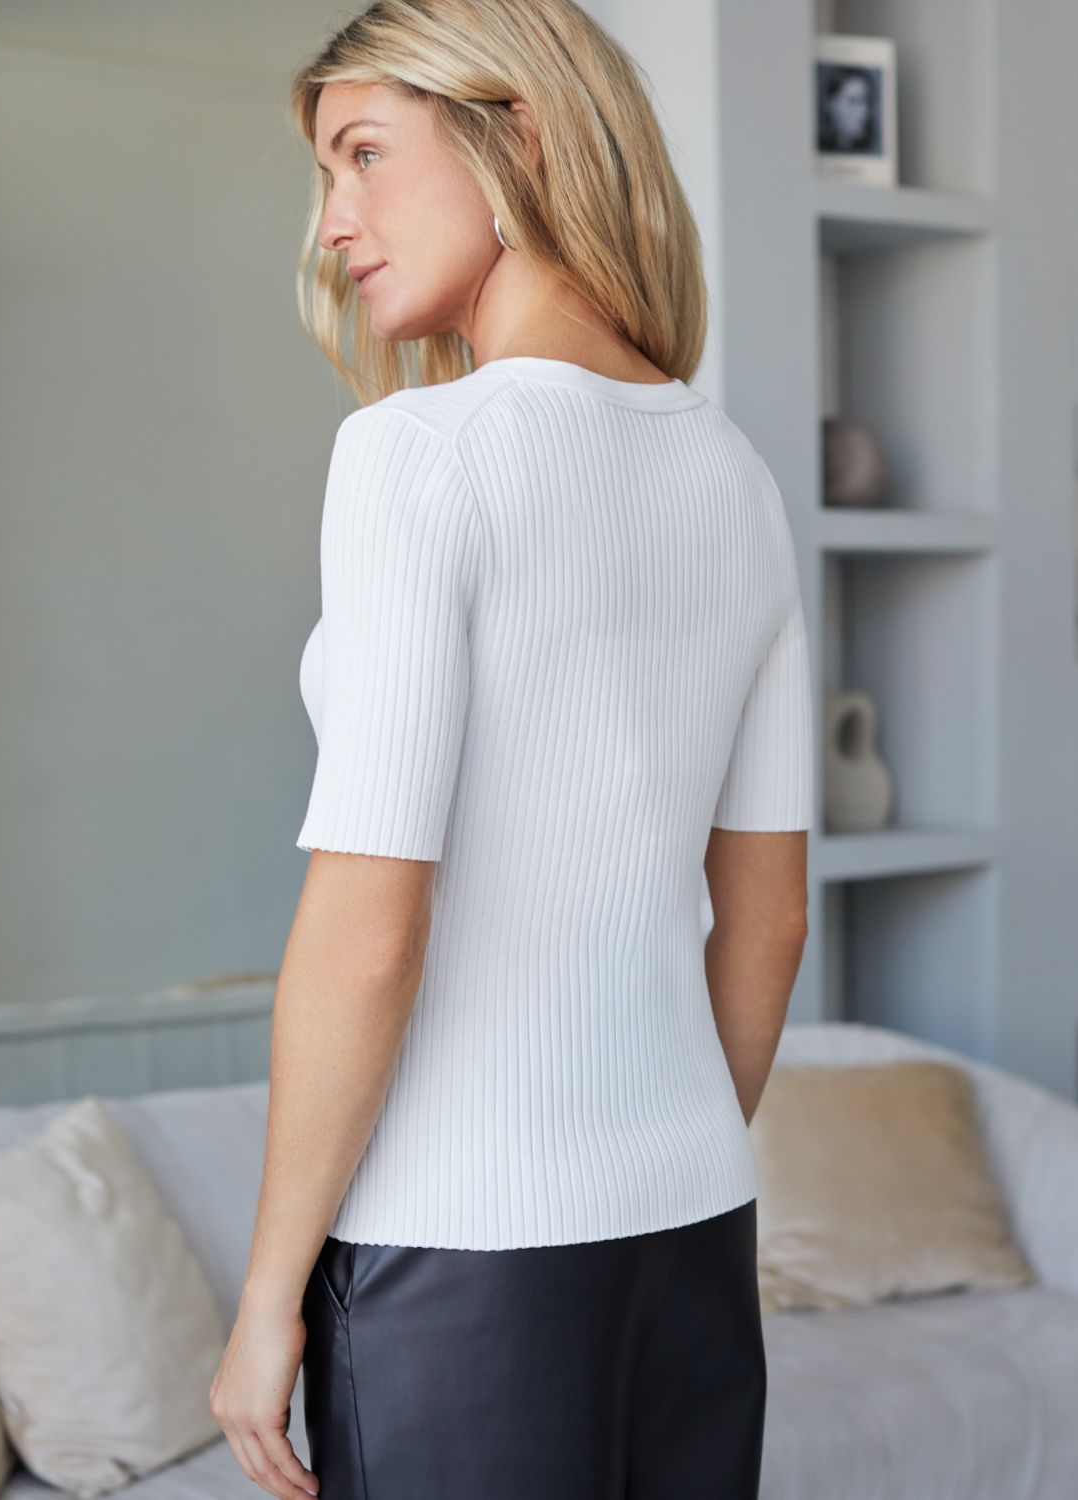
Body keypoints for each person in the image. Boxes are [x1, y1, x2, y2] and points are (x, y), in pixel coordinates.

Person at [209, 1, 813, 1497]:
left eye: (363, 155)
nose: (333, 223)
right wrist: (652, 1153)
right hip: (691, 1230)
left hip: (457, 1258)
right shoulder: (731, 474)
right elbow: (772, 915)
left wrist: (268, 1294)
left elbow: (368, 928)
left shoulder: (416, 454)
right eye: (325, 177)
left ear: (516, 139)